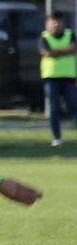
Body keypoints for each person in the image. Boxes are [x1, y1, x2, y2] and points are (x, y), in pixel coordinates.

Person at [40, 11, 77, 147]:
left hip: (68, 76)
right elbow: (47, 53)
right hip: (51, 77)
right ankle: (57, 138)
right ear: (47, 23)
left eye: (58, 21)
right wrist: (65, 50)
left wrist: (56, 52)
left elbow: (73, 49)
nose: (56, 24)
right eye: (52, 21)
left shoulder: (70, 34)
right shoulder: (44, 37)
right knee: (54, 109)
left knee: (74, 105)